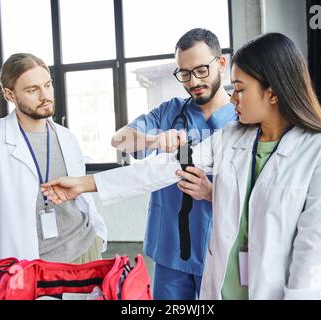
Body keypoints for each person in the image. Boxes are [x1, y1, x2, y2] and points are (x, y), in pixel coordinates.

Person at [41, 33, 321, 300]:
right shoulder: (232, 137)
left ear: (272, 92)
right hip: (217, 282)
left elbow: (313, 251)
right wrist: (85, 184)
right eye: (184, 73)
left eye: (240, 89)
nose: (234, 100)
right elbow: (160, 168)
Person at [0, 53, 107, 296]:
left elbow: (80, 195)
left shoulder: (67, 137)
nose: (45, 96)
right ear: (10, 94)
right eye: (32, 90)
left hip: (83, 251)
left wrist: (98, 236)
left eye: (48, 85)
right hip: (29, 266)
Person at [109, 28, 236, 299]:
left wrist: (213, 192)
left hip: (221, 248)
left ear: (221, 63)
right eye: (184, 74)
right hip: (171, 250)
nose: (193, 81)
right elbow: (119, 140)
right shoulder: (170, 111)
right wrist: (152, 141)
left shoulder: (242, 116)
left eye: (201, 70)